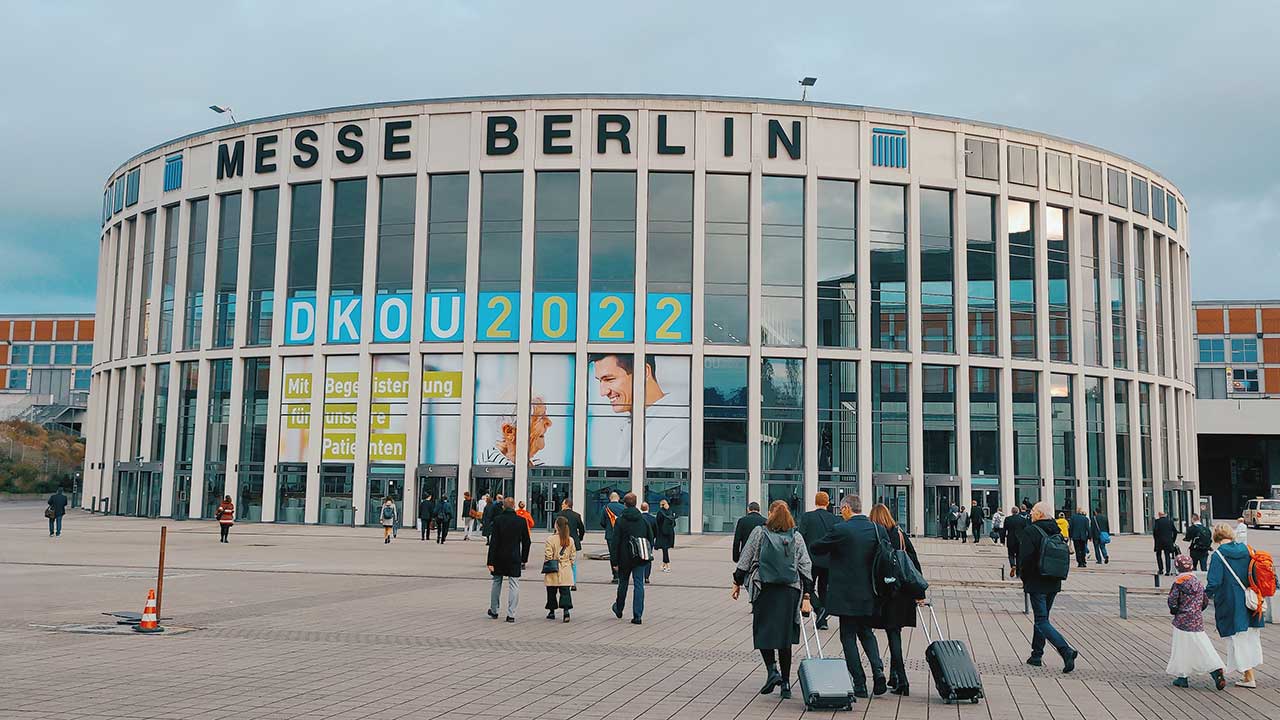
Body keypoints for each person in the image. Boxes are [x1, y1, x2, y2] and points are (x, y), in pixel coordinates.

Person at [732, 500, 814, 701]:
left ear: (770, 514)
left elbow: (745, 559)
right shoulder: (796, 536)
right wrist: (807, 594)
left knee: (763, 630)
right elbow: (805, 565)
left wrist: (736, 581)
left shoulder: (760, 533)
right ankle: (786, 684)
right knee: (784, 636)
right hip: (789, 591)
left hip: (764, 589)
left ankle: (772, 670)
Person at [810, 494, 886, 698]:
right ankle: (878, 671)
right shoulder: (877, 530)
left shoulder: (841, 529)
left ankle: (859, 683)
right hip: (870, 593)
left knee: (848, 637)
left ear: (845, 508)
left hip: (846, 595)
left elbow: (816, 547)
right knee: (867, 633)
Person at [590, 353, 690, 468]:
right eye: (600, 381)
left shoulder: (680, 425)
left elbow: (655, 483)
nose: (602, 392)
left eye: (609, 379)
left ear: (643, 372)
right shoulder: (638, 422)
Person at [868, 502, 925, 697]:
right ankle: (895, 677)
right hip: (903, 593)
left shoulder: (876, 537)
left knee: (885, 634)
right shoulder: (900, 534)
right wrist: (919, 594)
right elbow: (914, 563)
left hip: (885, 593)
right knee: (895, 634)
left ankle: (902, 678)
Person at [1017, 501, 1079, 673]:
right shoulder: (1056, 530)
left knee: (1042, 620)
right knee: (1042, 619)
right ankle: (1036, 655)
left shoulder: (1031, 531)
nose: (1031, 514)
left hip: (1037, 581)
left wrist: (1024, 578)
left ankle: (1065, 650)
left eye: (1033, 512)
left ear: (1039, 514)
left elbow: (1026, 559)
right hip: (1053, 580)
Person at [1206, 523, 1265, 688]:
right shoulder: (1247, 550)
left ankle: (1249, 676)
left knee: (1238, 638)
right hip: (1252, 600)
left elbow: (1214, 582)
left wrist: (1203, 598)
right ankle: (1248, 674)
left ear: (1216, 538)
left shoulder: (1218, 555)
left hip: (1231, 602)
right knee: (1250, 637)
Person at [1167, 554, 1227, 690]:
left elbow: (1172, 601)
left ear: (1177, 567)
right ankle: (1215, 670)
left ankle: (1183, 677)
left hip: (1182, 621)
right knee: (1202, 645)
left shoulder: (1179, 583)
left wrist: (1175, 611)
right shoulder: (1198, 583)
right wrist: (1198, 611)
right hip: (1197, 620)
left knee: (1181, 648)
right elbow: (1205, 601)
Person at [610, 492, 654, 624]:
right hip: (640, 558)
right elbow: (650, 538)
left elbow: (615, 542)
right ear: (635, 504)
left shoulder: (620, 521)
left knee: (623, 583)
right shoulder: (643, 520)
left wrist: (614, 561)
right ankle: (638, 615)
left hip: (624, 558)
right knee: (639, 584)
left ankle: (619, 608)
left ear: (624, 504)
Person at [797, 491, 839, 630]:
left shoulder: (807, 517)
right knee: (824, 588)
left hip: (810, 559)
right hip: (828, 560)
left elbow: (800, 537)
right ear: (827, 503)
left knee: (806, 587)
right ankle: (823, 621)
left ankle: (819, 608)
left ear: (815, 502)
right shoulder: (835, 519)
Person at [486, 497, 531, 622]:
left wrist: (490, 561)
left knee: (496, 582)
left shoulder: (498, 520)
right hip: (514, 556)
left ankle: (494, 610)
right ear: (514, 506)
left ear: (503, 507)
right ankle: (511, 614)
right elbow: (527, 541)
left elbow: (493, 542)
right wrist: (524, 558)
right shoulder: (521, 521)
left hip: (499, 557)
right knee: (514, 584)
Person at [544, 516, 576, 622]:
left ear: (556, 526)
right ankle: (566, 611)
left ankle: (551, 611)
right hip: (565, 567)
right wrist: (569, 563)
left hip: (554, 567)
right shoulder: (570, 540)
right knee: (565, 591)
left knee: (551, 591)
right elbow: (573, 555)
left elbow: (548, 555)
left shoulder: (550, 539)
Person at [556, 499, 586, 588]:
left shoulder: (559, 515)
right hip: (574, 542)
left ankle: (562, 581)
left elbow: (556, 528)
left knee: (561, 562)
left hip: (561, 541)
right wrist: (579, 538)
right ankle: (573, 583)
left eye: (562, 504)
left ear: (566, 504)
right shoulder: (576, 515)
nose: (561, 505)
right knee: (573, 563)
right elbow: (582, 529)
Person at [602, 491, 626, 581]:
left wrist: (608, 527)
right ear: (618, 498)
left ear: (610, 498)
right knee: (621, 554)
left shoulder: (605, 508)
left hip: (610, 535)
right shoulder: (623, 508)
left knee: (613, 554)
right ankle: (622, 573)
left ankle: (615, 575)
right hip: (621, 535)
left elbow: (602, 522)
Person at [1004, 505, 1028, 578]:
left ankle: (1012, 565)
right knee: (1019, 556)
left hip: (1010, 539)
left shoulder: (1008, 519)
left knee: (1011, 554)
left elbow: (1004, 530)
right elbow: (1026, 530)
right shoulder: (1022, 520)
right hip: (1019, 540)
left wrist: (1002, 540)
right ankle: (1018, 573)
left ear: (1012, 512)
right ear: (1018, 511)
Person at [1153, 511, 1178, 576]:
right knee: (1167, 555)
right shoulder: (1170, 522)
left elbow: (1155, 532)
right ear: (1165, 515)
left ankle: (1161, 569)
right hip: (1168, 541)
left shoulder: (1157, 522)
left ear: (1159, 515)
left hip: (1159, 541)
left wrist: (1156, 539)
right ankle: (1168, 571)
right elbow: (1175, 532)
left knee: (1158, 555)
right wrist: (1173, 540)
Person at [655, 499, 676, 574]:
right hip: (670, 533)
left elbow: (657, 523)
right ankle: (663, 565)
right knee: (665, 549)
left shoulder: (660, 512)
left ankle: (668, 566)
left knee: (665, 550)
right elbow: (674, 524)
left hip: (662, 533)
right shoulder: (670, 512)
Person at [640, 502, 659, 582]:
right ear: (648, 508)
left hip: (639, 541)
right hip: (649, 541)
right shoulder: (653, 519)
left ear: (641, 508)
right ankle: (647, 577)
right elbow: (656, 531)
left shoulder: (639, 518)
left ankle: (640, 575)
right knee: (648, 558)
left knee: (639, 558)